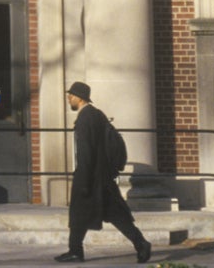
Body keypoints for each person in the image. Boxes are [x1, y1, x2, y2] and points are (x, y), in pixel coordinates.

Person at [56, 81, 151, 264]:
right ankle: (140, 244)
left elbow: (86, 152)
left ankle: (140, 244)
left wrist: (83, 182)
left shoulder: (85, 119)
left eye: (71, 96)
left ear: (79, 98)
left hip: (91, 177)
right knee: (101, 214)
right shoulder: (97, 114)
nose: (69, 99)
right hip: (102, 176)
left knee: (81, 214)